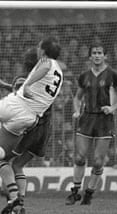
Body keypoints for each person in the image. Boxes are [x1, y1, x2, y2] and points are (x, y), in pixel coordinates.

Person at [0, 36, 62, 214]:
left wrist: (27, 86)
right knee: (7, 161)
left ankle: (14, 199)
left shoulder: (44, 64)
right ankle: (16, 201)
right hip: (32, 119)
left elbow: (35, 74)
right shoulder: (59, 73)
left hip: (20, 110)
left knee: (10, 162)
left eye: (39, 47)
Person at [65, 42, 117, 206]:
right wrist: (77, 111)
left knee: (99, 161)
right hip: (87, 119)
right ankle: (75, 191)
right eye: (94, 52)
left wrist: (113, 108)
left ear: (105, 56)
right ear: (90, 56)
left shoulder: (113, 74)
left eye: (100, 52)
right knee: (79, 157)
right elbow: (77, 97)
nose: (97, 55)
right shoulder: (84, 76)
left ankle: (89, 193)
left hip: (104, 121)